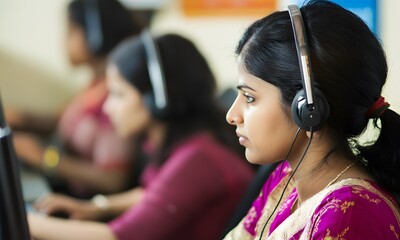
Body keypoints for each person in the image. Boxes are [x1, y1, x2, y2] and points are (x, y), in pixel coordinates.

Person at [224, 1, 400, 239]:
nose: (231, 115)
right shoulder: (285, 177)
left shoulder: (349, 215)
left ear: (308, 109)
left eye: (249, 97)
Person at [27, 33, 254, 240]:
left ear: (156, 99)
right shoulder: (181, 145)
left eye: (118, 94)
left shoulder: (198, 159)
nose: (108, 107)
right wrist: (97, 207)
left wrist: (24, 221)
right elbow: (154, 194)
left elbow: (116, 236)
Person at [8, 0, 140, 197]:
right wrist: (19, 118)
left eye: (70, 32)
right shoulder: (95, 85)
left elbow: (114, 179)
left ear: (96, 36)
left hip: (85, 204)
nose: (63, 43)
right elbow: (58, 120)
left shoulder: (116, 95)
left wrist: (45, 158)